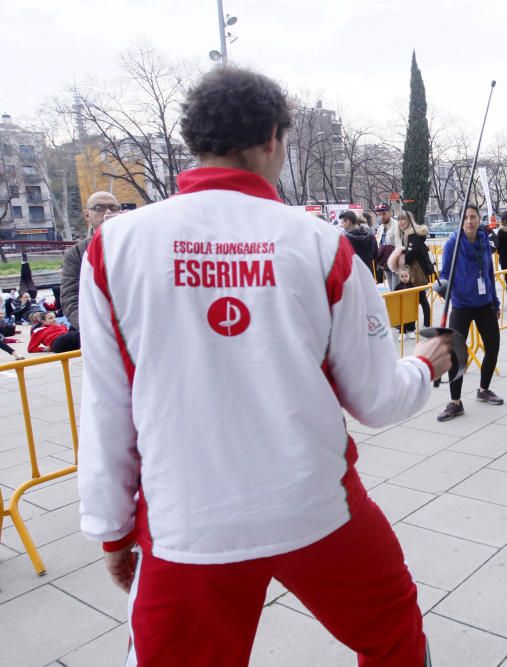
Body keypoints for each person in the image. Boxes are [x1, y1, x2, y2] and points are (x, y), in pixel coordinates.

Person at [76, 66, 451, 666]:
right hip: (316, 508)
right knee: (393, 638)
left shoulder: (115, 247)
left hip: (186, 522)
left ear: (196, 140)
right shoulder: (320, 244)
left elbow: (106, 408)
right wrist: (427, 365)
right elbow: (379, 399)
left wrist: (112, 528)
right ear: (274, 138)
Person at [436, 205, 504, 421]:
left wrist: (495, 301)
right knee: (456, 353)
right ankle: (455, 402)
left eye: (473, 217)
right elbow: (444, 273)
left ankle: (484, 389)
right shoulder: (452, 244)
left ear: (478, 219)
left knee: (493, 345)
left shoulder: (484, 240)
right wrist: (443, 285)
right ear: (460, 220)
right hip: (461, 305)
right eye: (465, 217)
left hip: (484, 304)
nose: (469, 221)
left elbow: (489, 273)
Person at [58, 191, 121, 353]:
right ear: (87, 215)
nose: (107, 213)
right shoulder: (77, 253)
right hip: (101, 337)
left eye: (113, 208)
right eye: (99, 208)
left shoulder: (135, 243)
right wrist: (92, 329)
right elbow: (70, 298)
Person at [387, 210, 433, 330]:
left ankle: (424, 324)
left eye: (404, 219)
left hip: (417, 272)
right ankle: (410, 325)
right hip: (410, 271)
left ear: (409, 221)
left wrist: (399, 256)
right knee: (417, 299)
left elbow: (410, 256)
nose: (401, 222)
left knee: (421, 298)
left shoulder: (413, 235)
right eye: (399, 219)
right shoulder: (405, 234)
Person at [339, 210, 378, 277]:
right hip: (368, 273)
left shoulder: (344, 240)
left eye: (343, 223)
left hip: (353, 276)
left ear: (348, 222)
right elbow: (376, 255)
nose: (342, 225)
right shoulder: (370, 236)